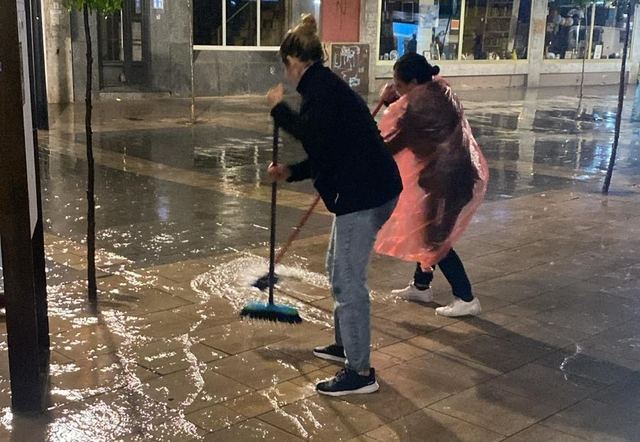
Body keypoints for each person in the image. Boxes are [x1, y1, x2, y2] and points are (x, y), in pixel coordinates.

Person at [266, 15, 402, 396]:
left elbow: (311, 135)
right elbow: (326, 151)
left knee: (347, 279)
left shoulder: (321, 93)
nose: (285, 74)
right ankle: (345, 346)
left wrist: (278, 110)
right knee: (335, 267)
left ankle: (360, 372)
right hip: (364, 188)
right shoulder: (324, 89)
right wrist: (290, 171)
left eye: (284, 66)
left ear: (294, 61)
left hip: (365, 194)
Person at [375, 53, 489, 317]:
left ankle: (466, 297)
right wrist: (392, 101)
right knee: (426, 230)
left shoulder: (426, 103)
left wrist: (370, 149)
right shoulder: (436, 90)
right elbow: (411, 121)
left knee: (436, 240)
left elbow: (400, 137)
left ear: (414, 81)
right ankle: (421, 285)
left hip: (451, 181)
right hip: (446, 178)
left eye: (399, 85)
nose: (396, 90)